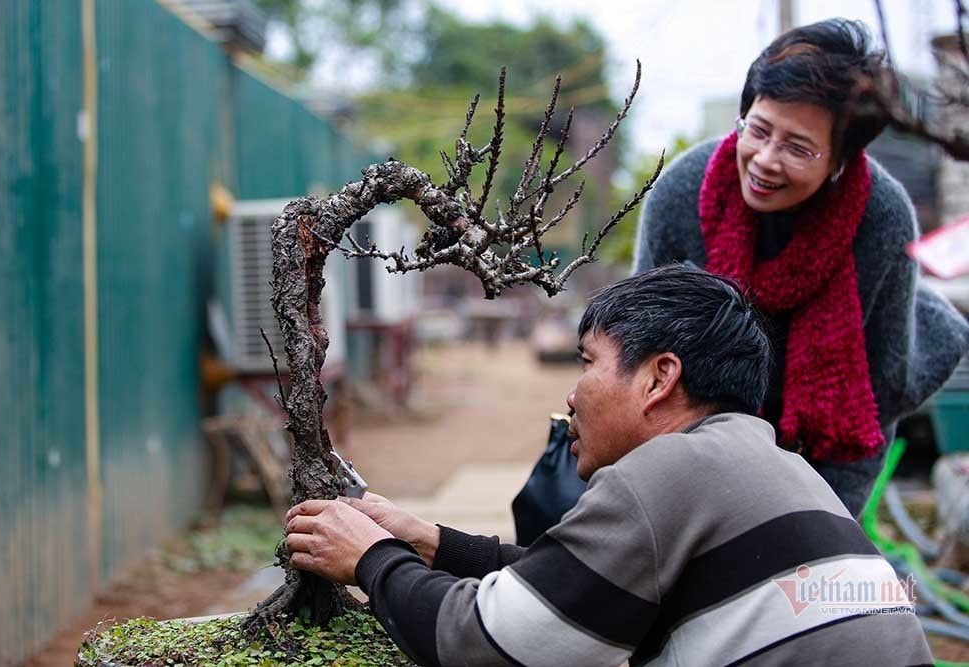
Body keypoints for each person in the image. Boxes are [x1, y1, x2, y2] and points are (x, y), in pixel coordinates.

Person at [284, 265, 932, 667]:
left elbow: (487, 643)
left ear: (658, 377)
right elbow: (582, 584)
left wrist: (370, 556)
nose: (571, 394)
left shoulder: (666, 471)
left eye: (588, 362)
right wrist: (433, 543)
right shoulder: (765, 462)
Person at [633, 19, 969, 516]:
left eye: (797, 147)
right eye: (759, 130)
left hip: (815, 454)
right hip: (690, 444)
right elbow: (640, 354)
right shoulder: (682, 191)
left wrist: (826, 523)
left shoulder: (881, 216)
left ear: (839, 161)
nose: (766, 160)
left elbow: (872, 398)